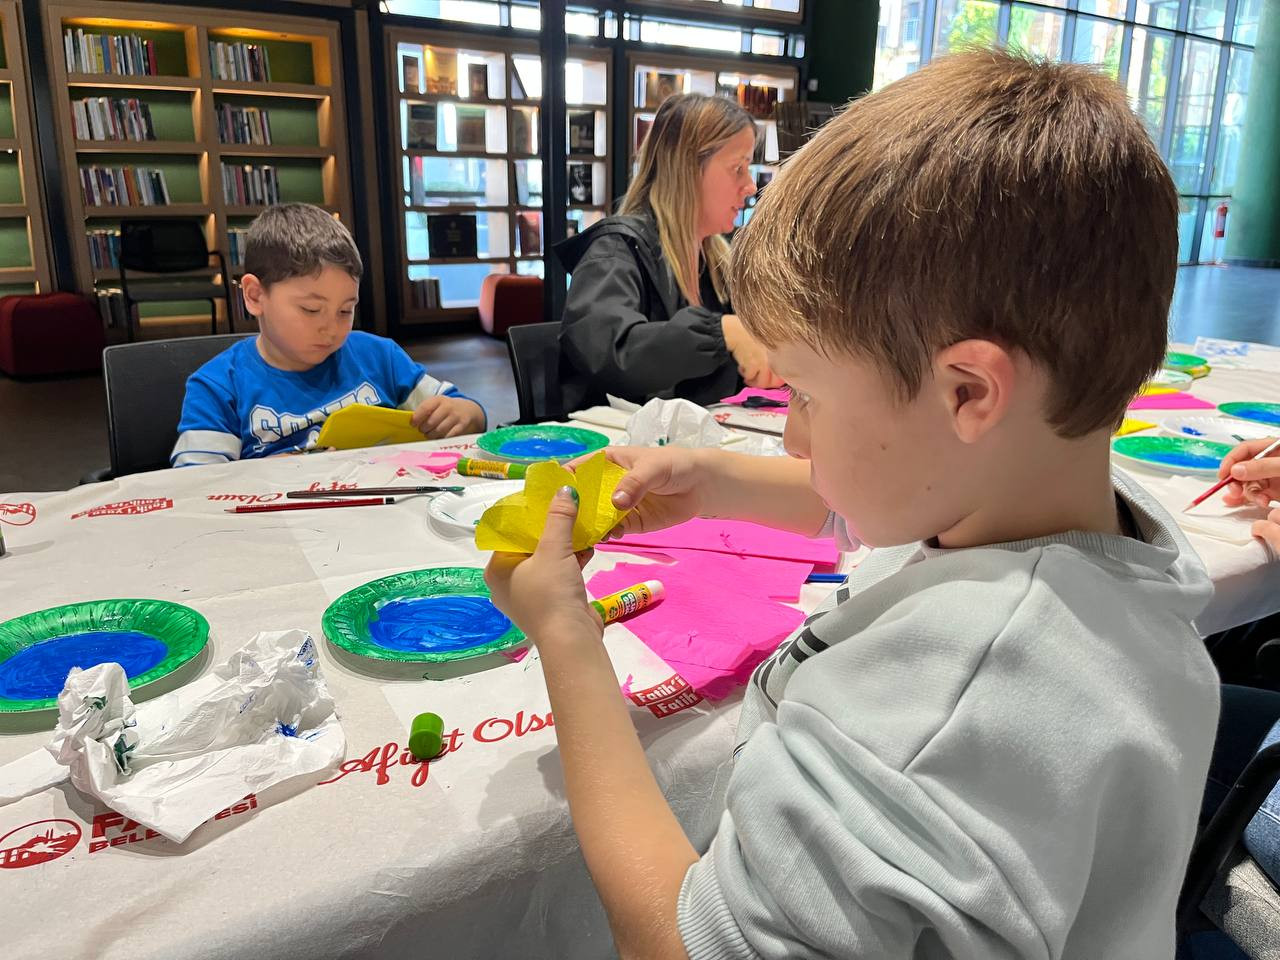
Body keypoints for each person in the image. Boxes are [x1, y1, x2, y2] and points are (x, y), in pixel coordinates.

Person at [484, 50, 1220, 958]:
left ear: (968, 393)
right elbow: (892, 506)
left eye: (805, 394)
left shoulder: (938, 712)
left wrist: (567, 636)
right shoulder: (1081, 511)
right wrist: (712, 479)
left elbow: (676, 945)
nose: (793, 435)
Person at [171, 204, 485, 466]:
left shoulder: (379, 357)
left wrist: (465, 414)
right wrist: (266, 474)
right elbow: (195, 483)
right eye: (311, 309)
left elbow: (466, 411)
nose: (331, 328)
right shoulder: (218, 386)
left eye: (346, 310)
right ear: (254, 296)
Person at [553, 93, 781, 413]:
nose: (750, 186)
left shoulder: (717, 262)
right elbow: (608, 352)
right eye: (737, 168)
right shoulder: (616, 249)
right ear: (688, 169)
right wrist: (722, 332)